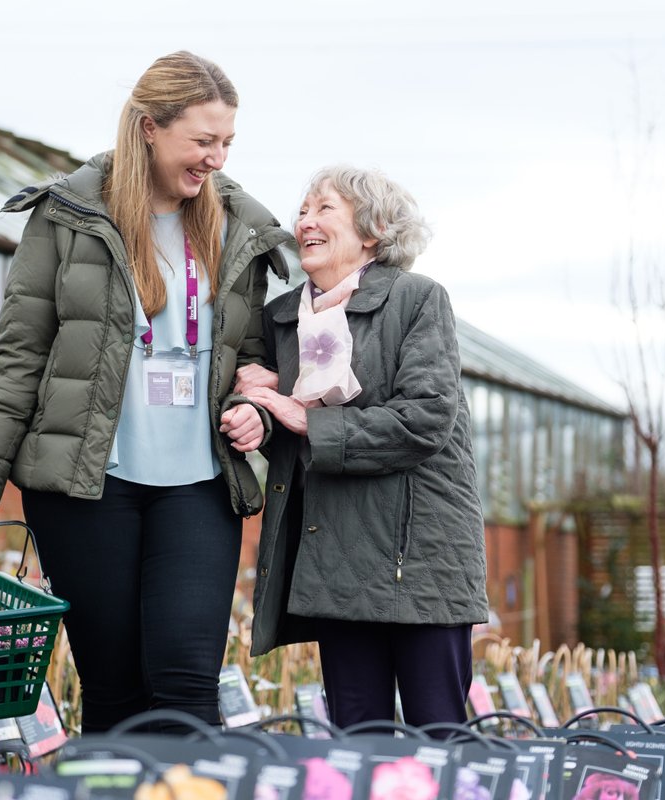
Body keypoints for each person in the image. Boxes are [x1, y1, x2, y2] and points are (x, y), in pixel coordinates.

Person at [0, 51, 293, 733]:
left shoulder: (241, 227)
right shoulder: (67, 216)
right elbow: (19, 357)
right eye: (202, 141)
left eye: (227, 143)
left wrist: (255, 412)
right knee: (114, 690)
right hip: (84, 485)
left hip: (199, 485)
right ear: (150, 127)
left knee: (188, 687)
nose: (216, 159)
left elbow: (254, 360)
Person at [237, 166, 489, 729]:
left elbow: (424, 419)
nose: (306, 221)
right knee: (357, 743)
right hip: (337, 562)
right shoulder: (282, 320)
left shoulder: (417, 301)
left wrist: (298, 417)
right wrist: (254, 407)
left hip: (419, 561)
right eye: (303, 209)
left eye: (325, 208)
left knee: (437, 737)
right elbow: (272, 407)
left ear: (372, 231)